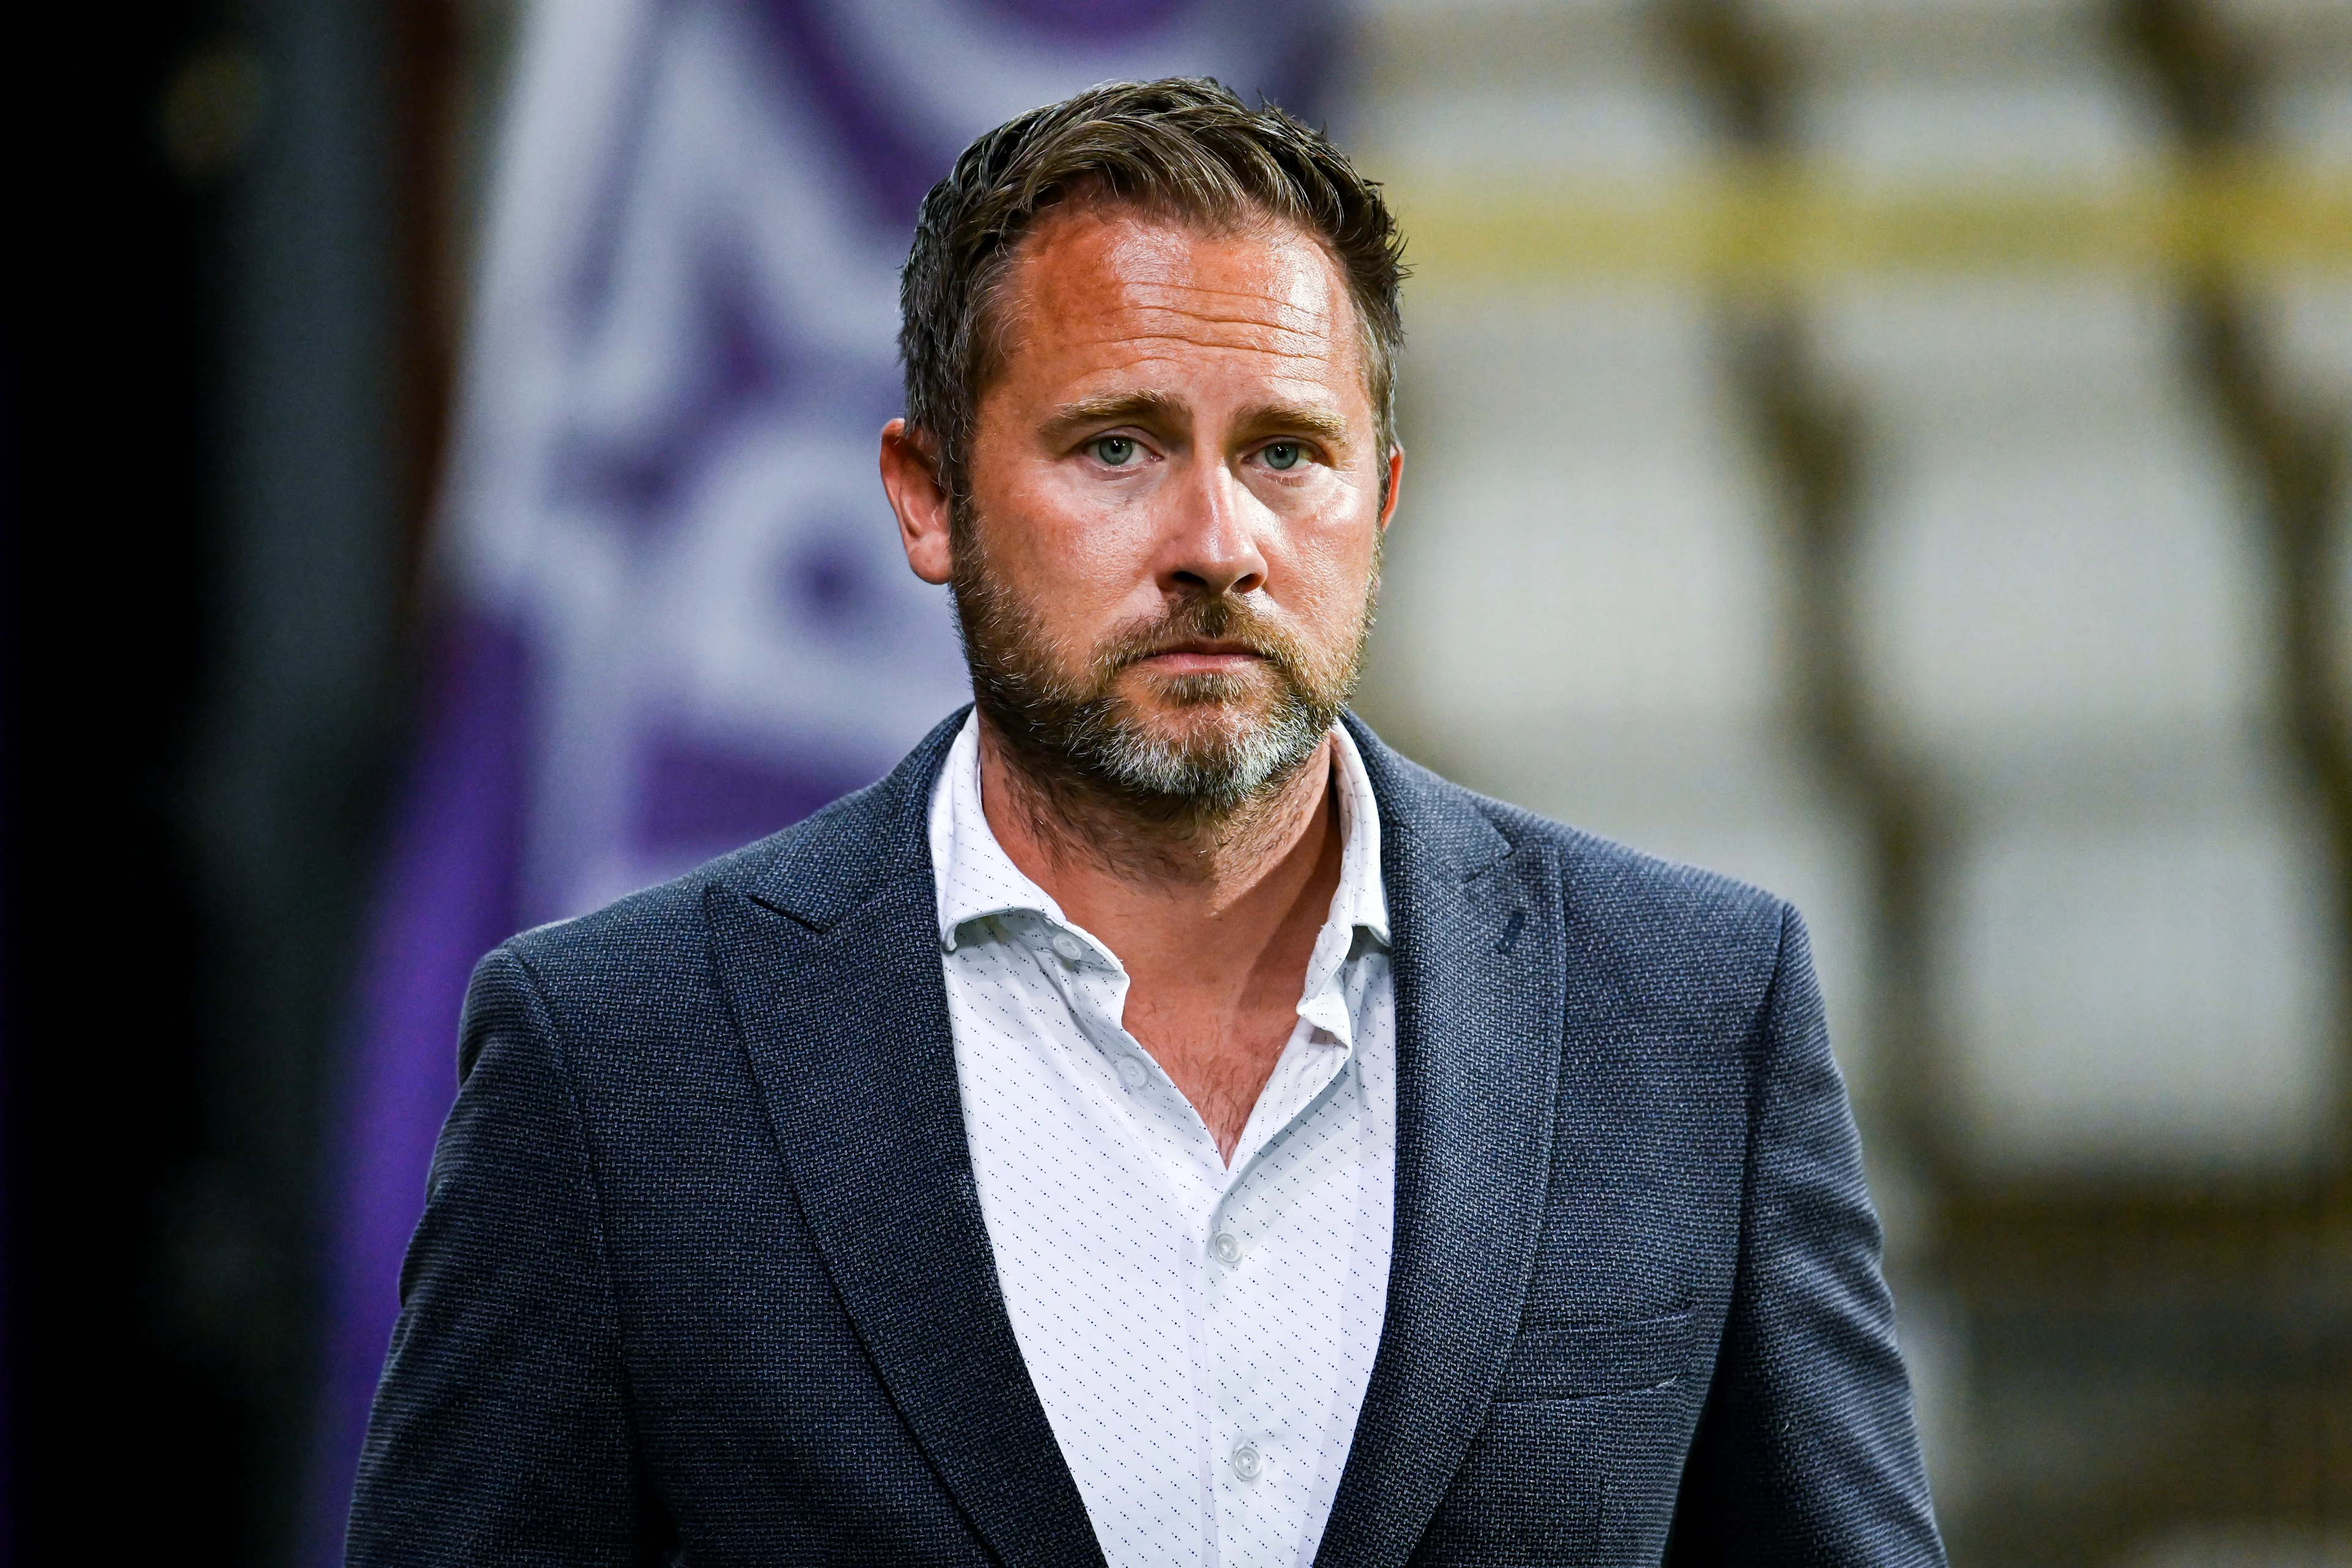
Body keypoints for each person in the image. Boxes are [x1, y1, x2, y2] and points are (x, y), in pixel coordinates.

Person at [347, 77, 1945, 1567]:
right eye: (1118, 446)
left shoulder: (1688, 1018)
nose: (1216, 542)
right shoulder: (620, 1061)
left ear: (1379, 504)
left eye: (1286, 453)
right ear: (926, 495)